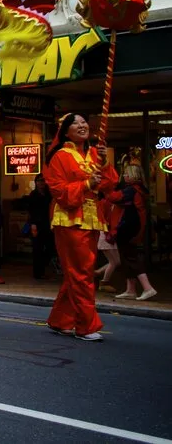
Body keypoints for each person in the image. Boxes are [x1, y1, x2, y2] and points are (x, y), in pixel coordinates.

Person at [44, 113, 118, 342]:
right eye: (75, 123)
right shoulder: (59, 157)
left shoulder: (95, 153)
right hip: (69, 219)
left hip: (92, 218)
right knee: (81, 273)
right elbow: (59, 192)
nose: (82, 125)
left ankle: (60, 320)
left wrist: (105, 164)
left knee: (77, 273)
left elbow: (110, 185)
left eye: (84, 121)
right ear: (65, 132)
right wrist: (87, 184)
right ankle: (85, 325)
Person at [108, 164, 157, 301]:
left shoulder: (131, 190)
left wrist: (106, 187)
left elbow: (114, 197)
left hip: (127, 228)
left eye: (126, 174)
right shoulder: (140, 189)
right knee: (126, 258)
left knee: (131, 258)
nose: (124, 176)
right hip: (134, 228)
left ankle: (148, 288)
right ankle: (131, 289)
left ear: (133, 176)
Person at [27, 173, 55, 280]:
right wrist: (33, 224)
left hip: (48, 224)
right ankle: (38, 273)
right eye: (39, 181)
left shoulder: (49, 194)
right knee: (37, 249)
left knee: (50, 247)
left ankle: (43, 268)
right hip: (37, 224)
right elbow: (31, 211)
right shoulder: (33, 195)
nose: (41, 183)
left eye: (43, 181)